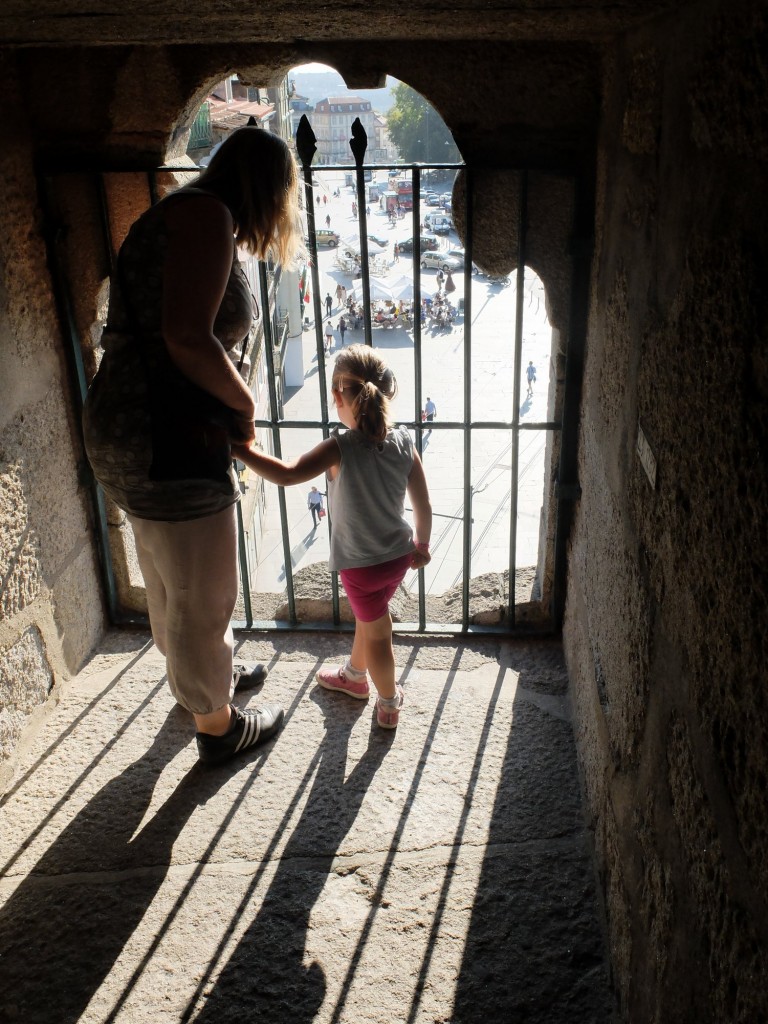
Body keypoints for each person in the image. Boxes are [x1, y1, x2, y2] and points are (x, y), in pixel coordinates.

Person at [82, 127, 305, 765]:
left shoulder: (173, 213)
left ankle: (207, 680)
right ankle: (217, 723)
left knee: (170, 579)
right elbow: (186, 336)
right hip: (168, 435)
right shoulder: (207, 217)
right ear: (268, 189)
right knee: (204, 592)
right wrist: (245, 403)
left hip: (130, 424)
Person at [233, 345, 433, 729]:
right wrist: (422, 546)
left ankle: (389, 702)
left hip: (360, 565)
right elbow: (422, 504)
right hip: (398, 558)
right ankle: (355, 678)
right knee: (370, 618)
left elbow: (288, 473)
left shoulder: (341, 446)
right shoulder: (405, 441)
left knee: (379, 636)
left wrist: (243, 450)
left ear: (337, 396)